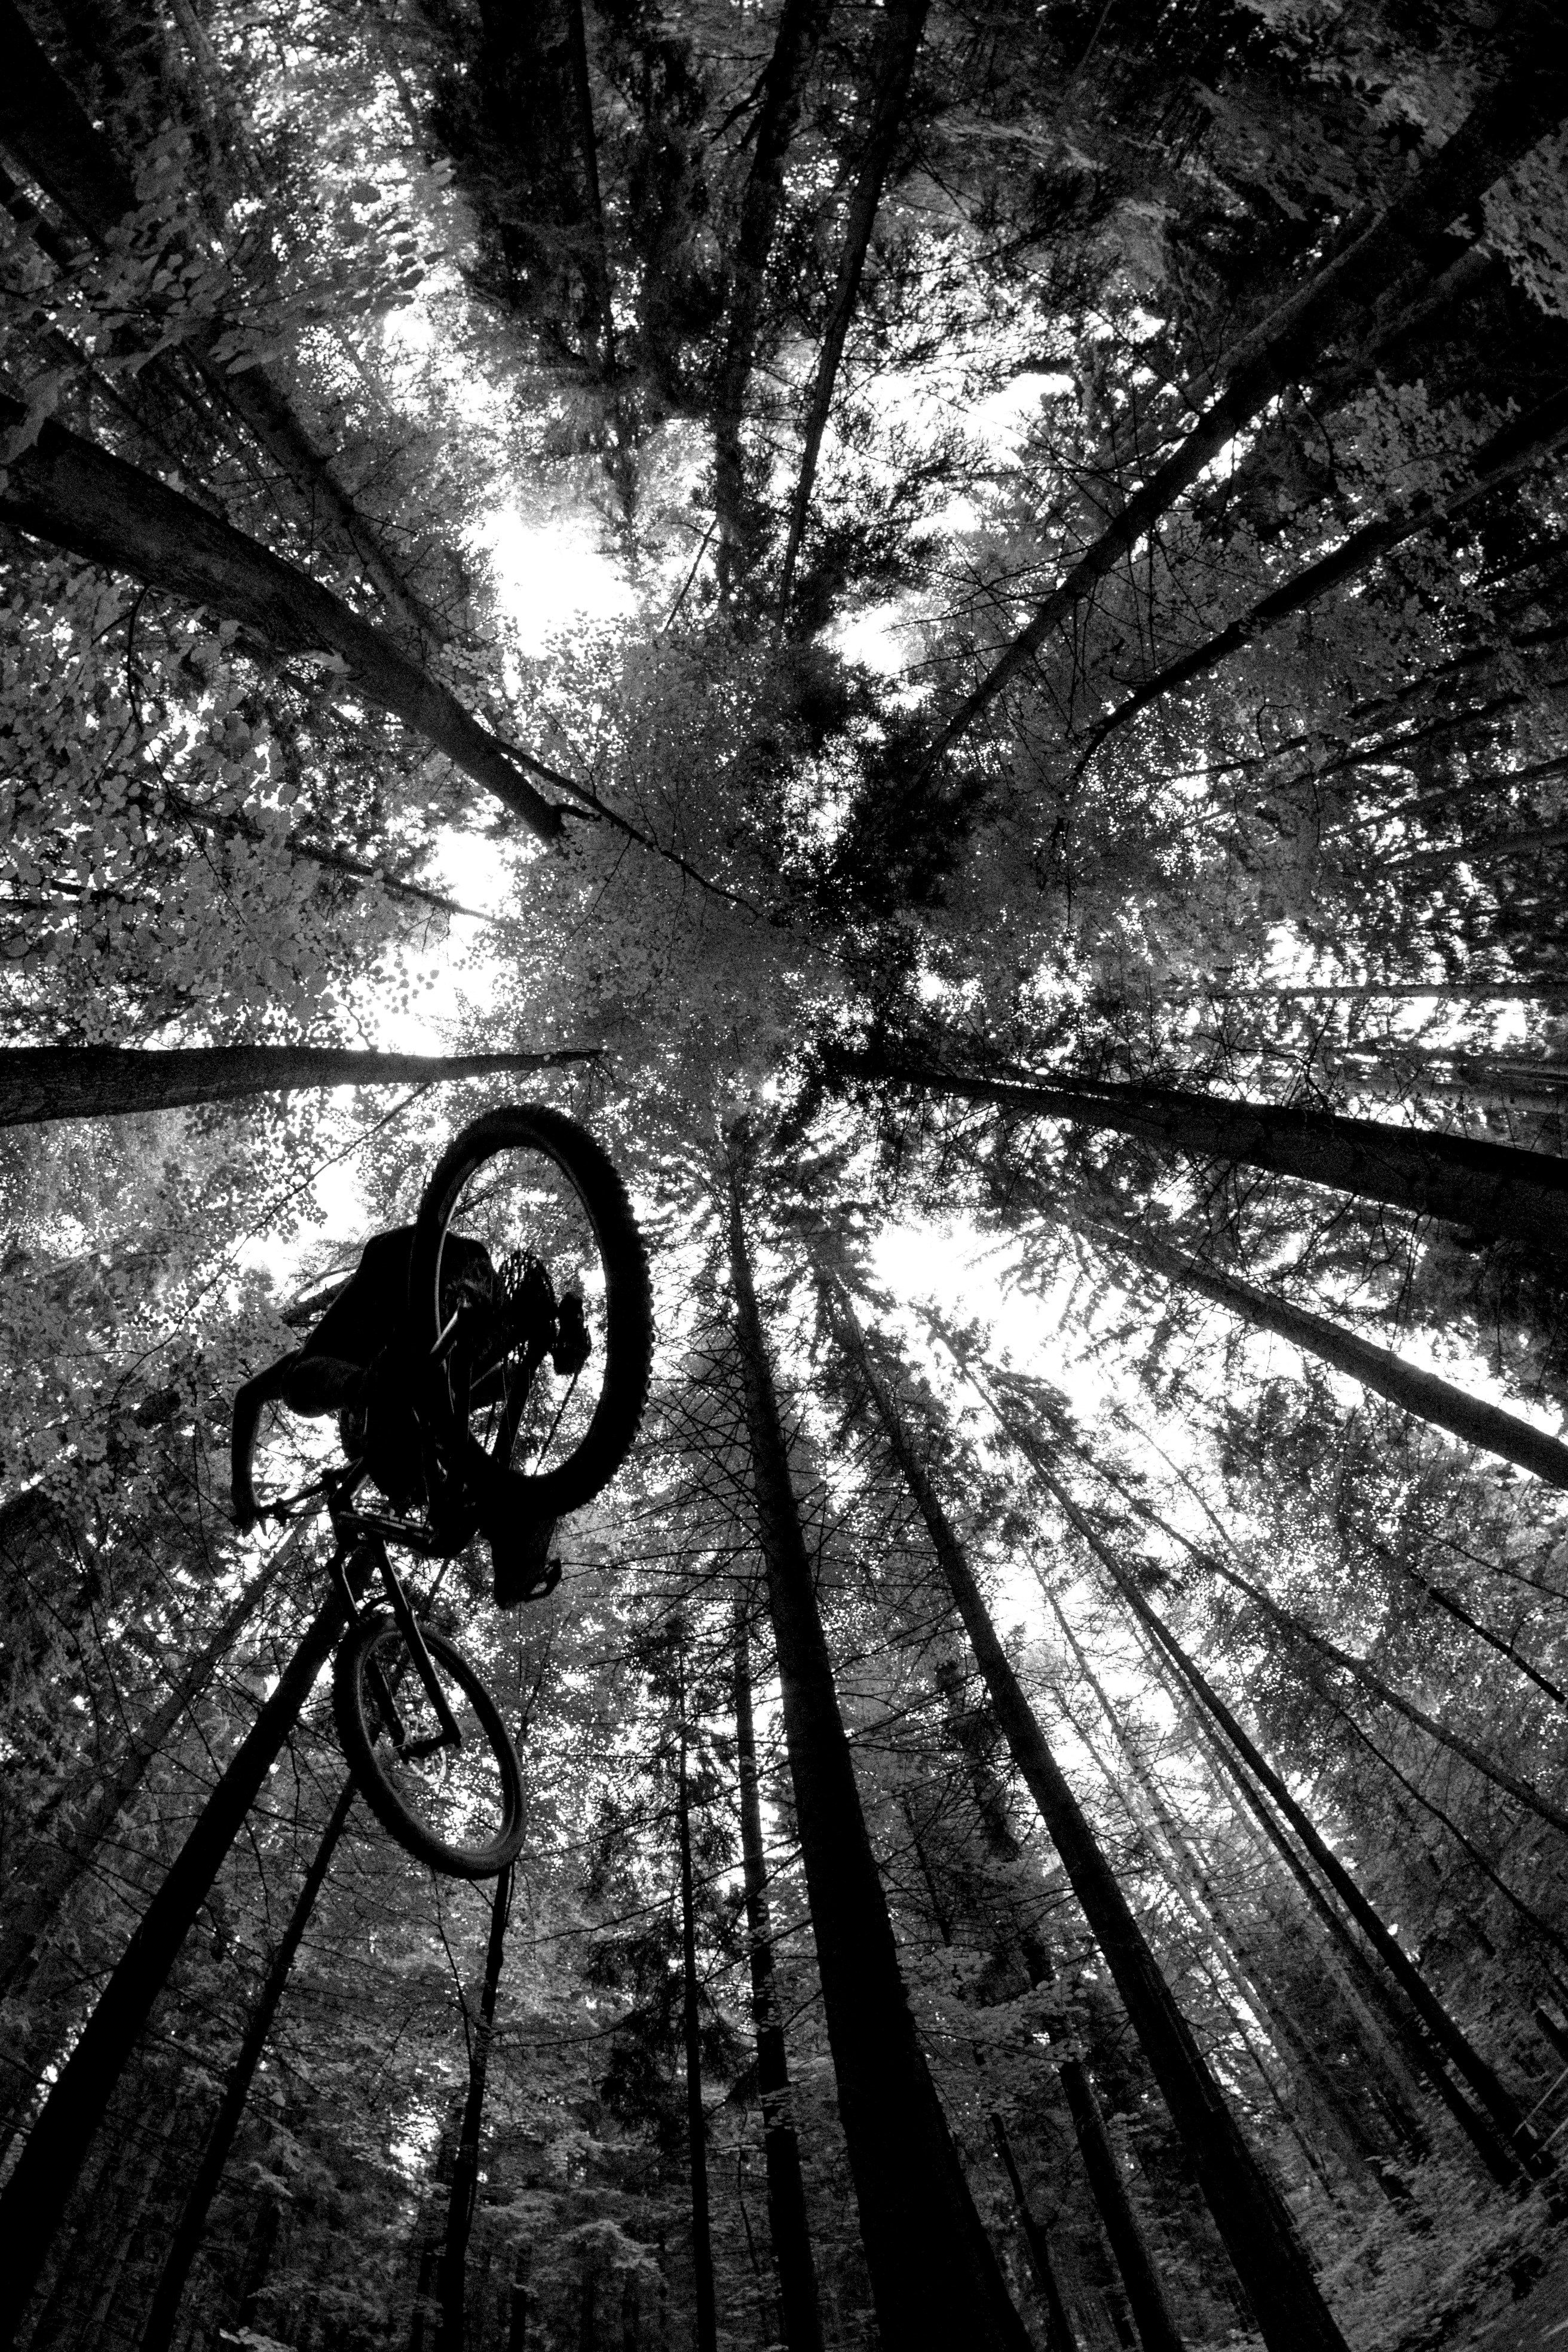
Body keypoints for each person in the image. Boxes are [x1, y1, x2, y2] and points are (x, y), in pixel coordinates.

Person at [231, 1225, 570, 1604]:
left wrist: (242, 1488)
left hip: (402, 1266)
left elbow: (251, 1396)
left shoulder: (315, 1363)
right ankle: (540, 1328)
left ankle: (525, 1326)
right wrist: (529, 1362)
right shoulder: (428, 1393)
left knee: (301, 1388)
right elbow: (484, 1390)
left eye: (357, 1425)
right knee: (444, 1400)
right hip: (469, 1288)